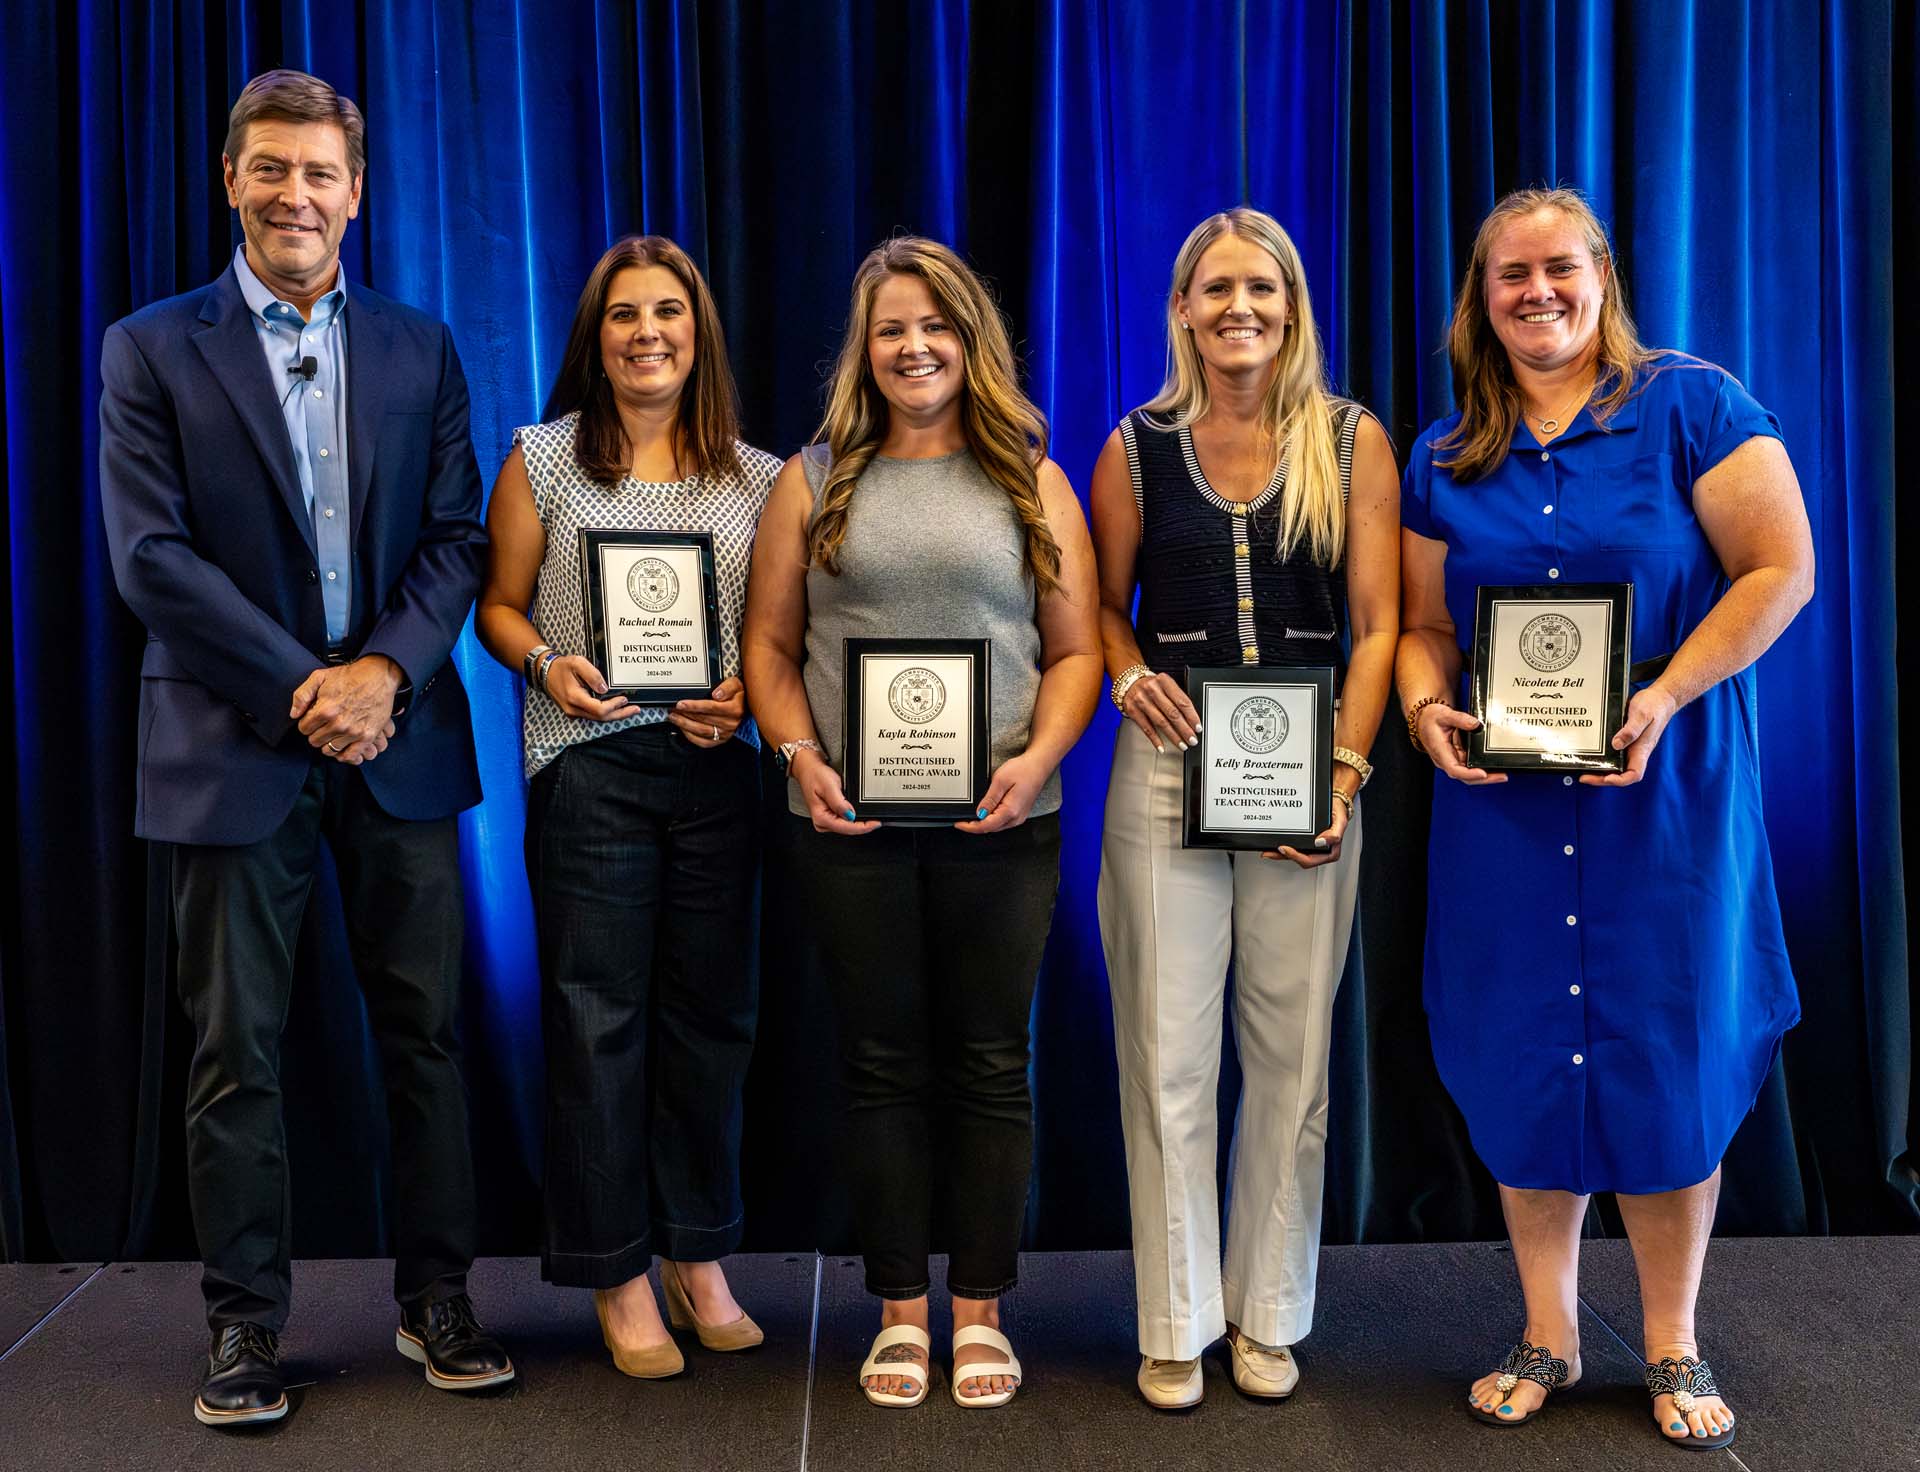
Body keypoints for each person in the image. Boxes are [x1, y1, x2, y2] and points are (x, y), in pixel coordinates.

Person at [97, 69, 512, 1427]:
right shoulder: (150, 348)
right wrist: (307, 689)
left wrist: (382, 672)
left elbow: (458, 537)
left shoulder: (419, 346)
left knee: (427, 1039)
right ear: (232, 180)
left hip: (399, 734)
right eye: (271, 169)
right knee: (238, 1052)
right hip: (233, 745)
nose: (295, 194)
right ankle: (243, 1328)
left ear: (356, 190)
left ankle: (437, 1299)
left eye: (320, 172)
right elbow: (152, 560)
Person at [1396, 187, 1813, 1451]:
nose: (1538, 293)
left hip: (1664, 803)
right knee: (1526, 1054)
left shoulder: (1693, 403)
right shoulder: (1446, 451)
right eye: (1510, 275)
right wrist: (1424, 709)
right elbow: (1421, 628)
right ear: (1482, 295)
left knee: (1667, 1059)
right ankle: (1550, 1327)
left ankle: (1674, 1336)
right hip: (1504, 823)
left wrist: (1666, 691)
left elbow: (1780, 568)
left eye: (1559, 268)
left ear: (1601, 273)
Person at [742, 236, 1100, 1409]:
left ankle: (983, 1305)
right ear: (866, 347)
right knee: (881, 1061)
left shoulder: (1032, 479)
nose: (914, 347)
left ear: (972, 342)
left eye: (936, 326)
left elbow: (1078, 651)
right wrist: (800, 760)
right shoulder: (813, 474)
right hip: (849, 824)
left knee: (995, 1061)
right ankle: (900, 1306)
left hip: (1007, 819)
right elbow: (771, 647)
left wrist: (1038, 760)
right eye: (892, 328)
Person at [1089, 208, 1399, 1409]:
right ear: (1182, 308)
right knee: (1164, 1054)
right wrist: (1125, 672)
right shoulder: (1136, 444)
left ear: (1292, 304)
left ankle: (1267, 1313)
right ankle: (1176, 1319)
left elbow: (1377, 629)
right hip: (1166, 772)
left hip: (1311, 769)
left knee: (1292, 1060)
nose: (1240, 310)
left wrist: (1344, 772)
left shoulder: (1350, 439)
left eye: (1262, 290)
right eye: (1216, 290)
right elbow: (1104, 612)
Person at [475, 235, 776, 1378]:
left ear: (699, 333)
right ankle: (615, 1271)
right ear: (593, 336)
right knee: (599, 1019)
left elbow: (771, 637)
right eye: (622, 315)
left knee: (713, 1021)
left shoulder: (758, 474)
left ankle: (700, 1256)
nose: (646, 332)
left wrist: (748, 690)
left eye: (668, 312)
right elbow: (500, 607)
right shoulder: (542, 459)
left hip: (714, 773)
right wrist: (548, 663)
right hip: (588, 762)